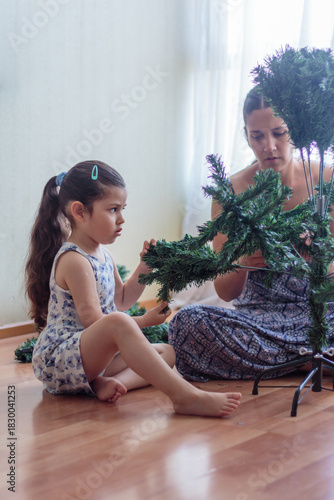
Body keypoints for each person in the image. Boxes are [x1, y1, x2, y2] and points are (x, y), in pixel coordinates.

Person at [25, 160, 241, 417]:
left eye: (122, 208)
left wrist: (144, 268)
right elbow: (95, 321)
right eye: (113, 209)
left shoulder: (103, 255)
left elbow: (122, 300)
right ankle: (184, 396)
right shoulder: (74, 259)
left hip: (91, 359)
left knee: (167, 352)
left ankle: (106, 385)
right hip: (62, 359)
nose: (122, 218)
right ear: (80, 212)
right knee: (121, 324)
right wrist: (144, 321)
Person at [168, 87, 334, 382]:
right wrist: (244, 259)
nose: (269, 146)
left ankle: (290, 360)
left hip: (323, 313)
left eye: (279, 132)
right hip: (259, 319)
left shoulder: (326, 179)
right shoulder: (230, 192)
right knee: (185, 324)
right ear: (246, 136)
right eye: (257, 136)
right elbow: (225, 292)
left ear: (292, 129)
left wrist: (318, 261)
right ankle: (310, 360)